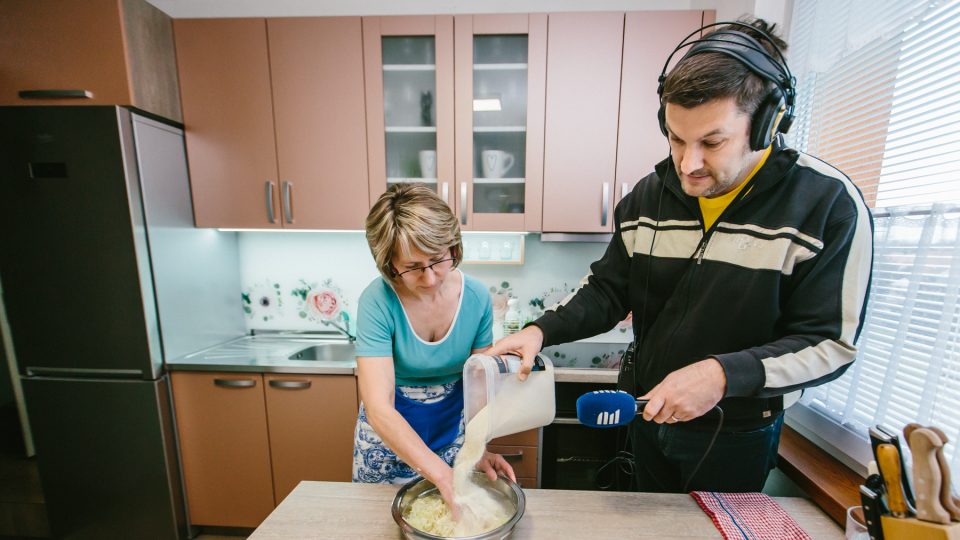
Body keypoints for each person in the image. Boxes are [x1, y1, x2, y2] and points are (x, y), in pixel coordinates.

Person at [487, 17, 874, 493]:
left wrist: (721, 374)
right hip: (646, 420)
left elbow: (829, 344)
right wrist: (539, 330)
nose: (688, 165)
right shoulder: (648, 197)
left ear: (768, 124)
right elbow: (609, 291)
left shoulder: (826, 207)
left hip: (734, 434)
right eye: (675, 138)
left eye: (712, 142)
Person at [352, 183, 515, 511]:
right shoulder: (377, 301)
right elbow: (379, 407)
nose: (429, 278)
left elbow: (478, 383)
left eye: (439, 259)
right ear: (389, 264)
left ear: (453, 246)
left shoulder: (476, 298)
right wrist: (442, 475)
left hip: (453, 435)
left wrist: (478, 446)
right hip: (387, 442)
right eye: (412, 267)